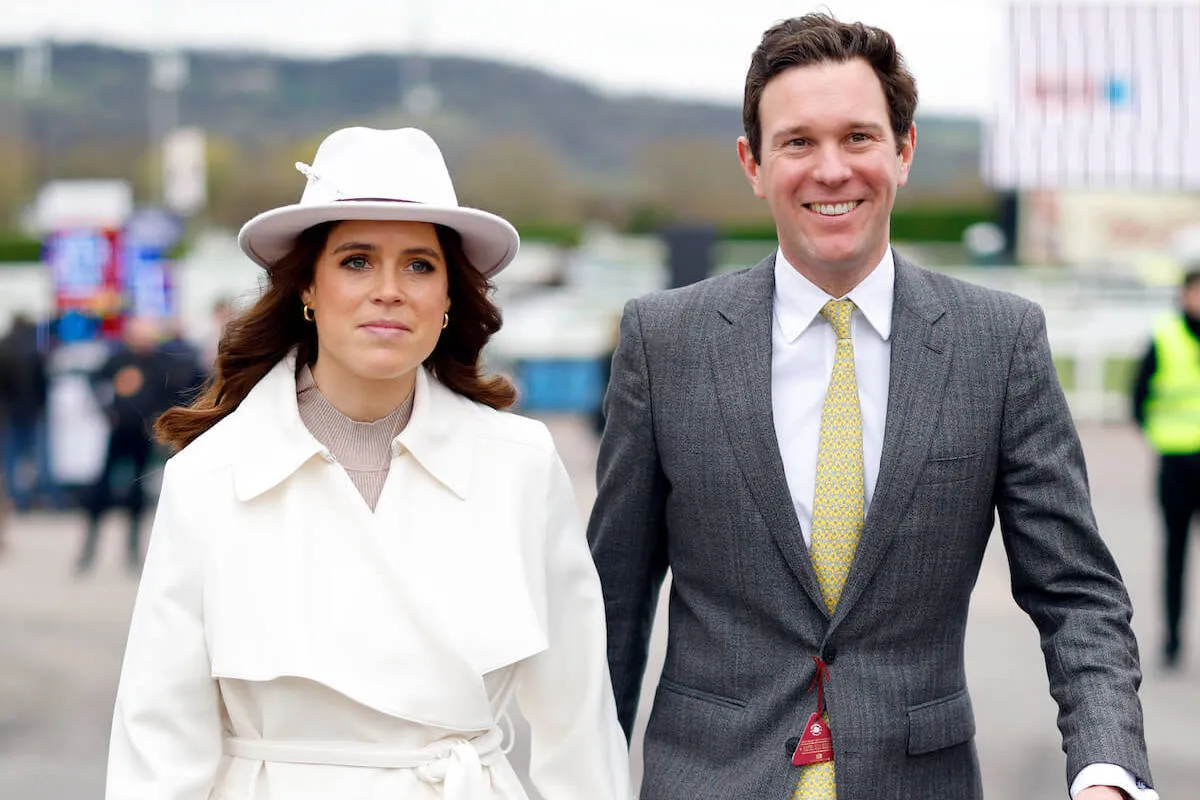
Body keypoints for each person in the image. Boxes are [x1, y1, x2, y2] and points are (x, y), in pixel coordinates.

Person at [587, 14, 1154, 800]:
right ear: (753, 164)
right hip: (706, 779)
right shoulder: (665, 341)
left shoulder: (1000, 342)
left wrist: (1107, 769)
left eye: (858, 137)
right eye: (797, 143)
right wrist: (579, 775)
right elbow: (612, 602)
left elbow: (1077, 595)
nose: (831, 170)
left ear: (904, 150)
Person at [105, 126, 630, 800]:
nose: (389, 289)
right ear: (307, 289)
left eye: (419, 264)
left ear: (447, 301)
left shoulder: (520, 466)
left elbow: (578, 725)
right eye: (356, 260)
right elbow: (160, 742)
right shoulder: (210, 477)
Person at [1132, 268, 1200, 671]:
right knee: (1175, 555)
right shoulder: (1164, 338)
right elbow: (1138, 397)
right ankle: (1172, 639)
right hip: (1176, 465)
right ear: (1183, 295)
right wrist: (1159, 435)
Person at [78, 315, 174, 574]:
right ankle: (88, 548)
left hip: (142, 436)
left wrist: (158, 418)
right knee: (101, 489)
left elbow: (167, 393)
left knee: (137, 492)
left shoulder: (158, 363)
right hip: (118, 433)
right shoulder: (117, 360)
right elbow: (94, 381)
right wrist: (106, 410)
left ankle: (133, 550)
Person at [0, 312, 60, 511]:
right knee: (42, 458)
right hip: (34, 410)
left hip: (8, 412)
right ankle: (49, 498)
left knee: (11, 459)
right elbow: (43, 382)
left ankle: (17, 499)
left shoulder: (3, 347)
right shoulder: (34, 349)